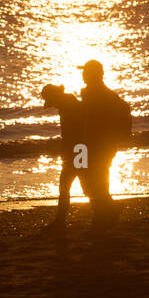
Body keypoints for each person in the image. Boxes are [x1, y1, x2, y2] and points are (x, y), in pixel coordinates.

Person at [77, 59, 130, 230]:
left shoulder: (98, 94)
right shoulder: (96, 93)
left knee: (94, 179)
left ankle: (103, 214)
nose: (82, 75)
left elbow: (91, 121)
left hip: (94, 145)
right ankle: (107, 211)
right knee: (89, 178)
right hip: (88, 145)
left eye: (85, 72)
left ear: (94, 74)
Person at [39, 83, 85, 231]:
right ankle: (60, 221)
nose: (51, 105)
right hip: (75, 150)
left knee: (78, 184)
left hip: (78, 150)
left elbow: (76, 131)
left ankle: (106, 210)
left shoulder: (68, 104)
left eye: (50, 100)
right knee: (72, 184)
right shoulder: (66, 102)